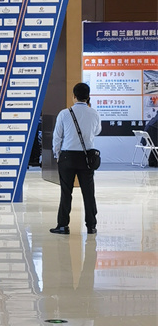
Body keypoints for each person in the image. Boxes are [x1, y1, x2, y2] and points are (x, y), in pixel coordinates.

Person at [51, 81, 101, 235]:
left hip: (67, 157)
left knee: (66, 192)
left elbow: (57, 137)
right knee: (88, 192)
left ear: (74, 96)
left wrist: (57, 154)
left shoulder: (64, 114)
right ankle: (91, 226)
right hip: (86, 157)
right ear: (88, 97)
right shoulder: (94, 113)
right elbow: (97, 131)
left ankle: (63, 225)